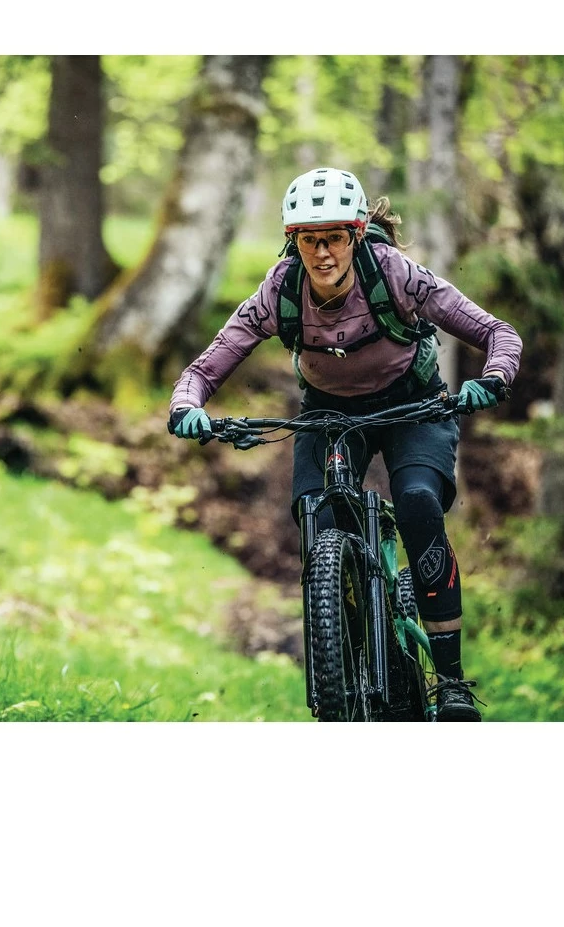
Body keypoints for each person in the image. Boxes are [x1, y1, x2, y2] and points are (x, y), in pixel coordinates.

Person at [166, 167, 522, 721]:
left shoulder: (395, 274)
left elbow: (498, 333)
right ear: (294, 241)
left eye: (333, 238)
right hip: (328, 413)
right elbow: (205, 368)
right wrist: (187, 406)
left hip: (414, 406)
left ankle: (451, 682)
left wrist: (494, 377)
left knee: (417, 502)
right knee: (317, 515)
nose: (322, 253)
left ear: (356, 235)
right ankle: (346, 654)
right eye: (309, 240)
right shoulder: (280, 290)